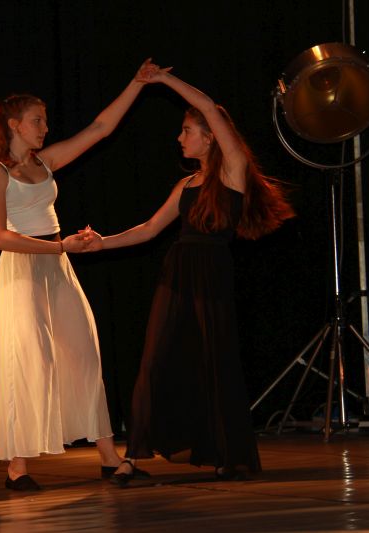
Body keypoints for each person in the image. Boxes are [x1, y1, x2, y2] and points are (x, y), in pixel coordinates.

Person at [83, 61, 295, 486]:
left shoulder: (232, 171)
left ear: (209, 137)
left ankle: (226, 454)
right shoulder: (185, 186)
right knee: (154, 361)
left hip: (212, 273)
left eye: (186, 131)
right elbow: (148, 229)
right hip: (176, 275)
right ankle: (132, 456)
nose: (180, 138)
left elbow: (210, 108)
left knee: (214, 363)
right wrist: (100, 242)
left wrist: (164, 79)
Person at [0, 59, 160, 491]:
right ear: (15, 125)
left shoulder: (44, 162)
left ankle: (109, 457)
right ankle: (17, 467)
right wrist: (60, 246)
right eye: (37, 120)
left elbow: (99, 129)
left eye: (44, 120)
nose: (45, 127)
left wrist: (136, 83)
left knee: (83, 353)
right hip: (23, 269)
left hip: (58, 265)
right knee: (28, 359)